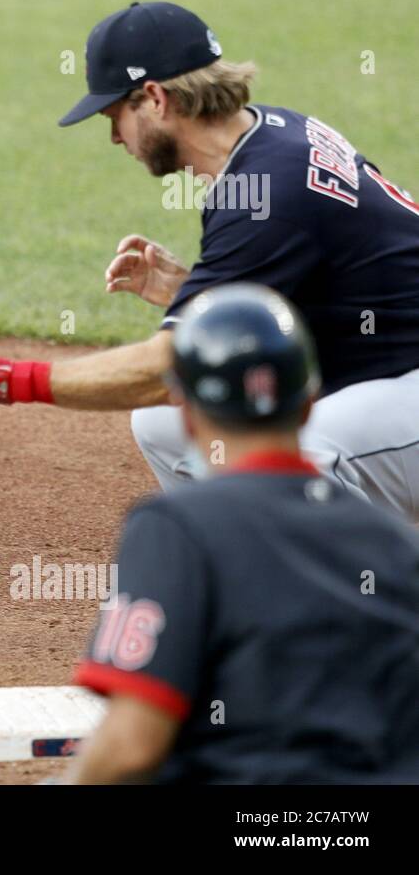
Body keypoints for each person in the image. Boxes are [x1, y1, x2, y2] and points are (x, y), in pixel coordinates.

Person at [0, 1, 419, 520]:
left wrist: (2, 379)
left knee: (304, 457)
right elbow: (331, 282)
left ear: (154, 99)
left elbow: (161, 367)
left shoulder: (260, 196)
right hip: (392, 375)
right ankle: (239, 562)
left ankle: (356, 592)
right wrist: (196, 291)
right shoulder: (277, 133)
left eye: (113, 116)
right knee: (165, 425)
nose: (112, 137)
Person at [65, 284, 419, 783]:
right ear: (309, 404)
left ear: (184, 412)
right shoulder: (393, 542)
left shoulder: (175, 528)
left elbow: (130, 747)